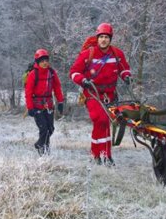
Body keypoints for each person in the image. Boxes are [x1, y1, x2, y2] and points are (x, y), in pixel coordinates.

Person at [69, 23, 131, 165]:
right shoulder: (87, 54)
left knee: (104, 124)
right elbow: (73, 72)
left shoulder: (117, 53)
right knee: (101, 120)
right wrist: (82, 80)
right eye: (101, 37)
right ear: (97, 38)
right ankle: (100, 154)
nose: (103, 40)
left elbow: (124, 69)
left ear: (110, 39)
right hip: (92, 92)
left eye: (106, 37)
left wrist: (126, 76)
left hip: (110, 95)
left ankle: (102, 155)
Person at [25, 48, 65, 155]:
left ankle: (42, 146)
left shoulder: (51, 73)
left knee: (50, 129)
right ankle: (43, 150)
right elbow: (28, 92)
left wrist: (60, 102)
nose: (45, 63)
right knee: (44, 129)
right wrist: (30, 108)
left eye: (46, 60)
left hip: (49, 105)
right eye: (42, 61)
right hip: (36, 105)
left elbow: (57, 87)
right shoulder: (33, 74)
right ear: (37, 62)